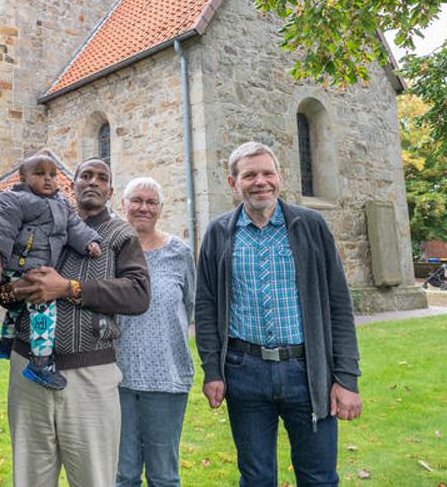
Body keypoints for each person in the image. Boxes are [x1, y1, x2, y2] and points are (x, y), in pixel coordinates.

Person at [195, 142, 362, 486]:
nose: (261, 181)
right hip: (244, 373)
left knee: (318, 477)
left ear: (280, 177)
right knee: (256, 478)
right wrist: (213, 370)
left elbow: (339, 305)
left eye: (267, 173)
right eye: (249, 175)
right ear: (233, 182)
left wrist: (346, 378)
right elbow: (206, 306)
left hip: (307, 371)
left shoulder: (310, 226)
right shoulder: (218, 234)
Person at [3, 157, 150, 487]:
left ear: (110, 191)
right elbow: (2, 289)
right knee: (30, 478)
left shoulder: (120, 235)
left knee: (93, 479)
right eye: (86, 175)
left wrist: (69, 288)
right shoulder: (37, 220)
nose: (93, 182)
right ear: (73, 184)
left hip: (90, 375)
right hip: (28, 371)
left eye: (102, 178)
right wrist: (15, 289)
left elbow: (138, 294)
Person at [0, 151, 102, 390]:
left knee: (17, 309)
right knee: (44, 311)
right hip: (20, 266)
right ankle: (40, 362)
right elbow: (0, 227)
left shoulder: (61, 204)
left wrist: (89, 241)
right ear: (23, 178)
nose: (48, 179)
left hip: (40, 266)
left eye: (52, 175)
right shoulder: (13, 199)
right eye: (39, 174)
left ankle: (4, 342)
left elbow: (74, 226)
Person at [114, 177, 195, 487]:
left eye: (151, 202)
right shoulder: (111, 251)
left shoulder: (179, 253)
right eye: (136, 200)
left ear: (161, 209)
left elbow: (188, 306)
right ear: (123, 204)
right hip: (117, 379)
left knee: (163, 476)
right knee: (124, 475)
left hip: (166, 378)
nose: (143, 208)